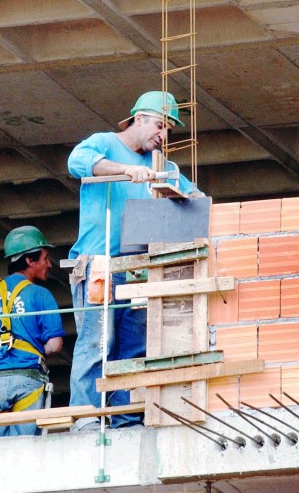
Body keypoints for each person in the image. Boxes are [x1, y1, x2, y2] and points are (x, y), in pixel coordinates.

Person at [66, 91, 203, 431]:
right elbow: (77, 161)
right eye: (160, 125)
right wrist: (126, 170)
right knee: (98, 342)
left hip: (140, 268)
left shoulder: (162, 165)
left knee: (132, 347)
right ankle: (85, 418)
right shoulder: (104, 144)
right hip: (100, 265)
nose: (164, 135)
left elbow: (192, 196)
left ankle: (124, 418)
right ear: (139, 118)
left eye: (169, 128)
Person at [0, 226, 65, 437]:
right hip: (27, 381)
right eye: (45, 258)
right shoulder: (40, 295)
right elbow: (55, 345)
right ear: (29, 260)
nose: (49, 264)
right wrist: (29, 349)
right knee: (26, 451)